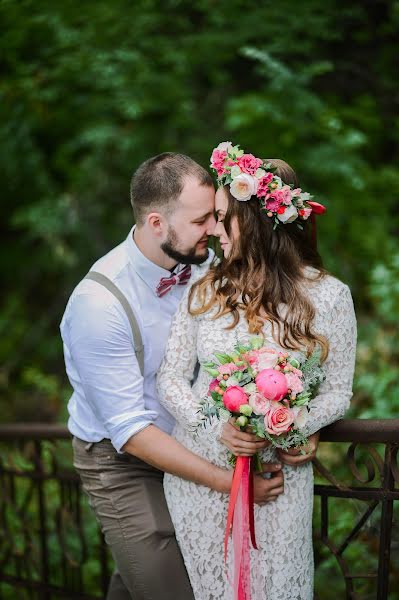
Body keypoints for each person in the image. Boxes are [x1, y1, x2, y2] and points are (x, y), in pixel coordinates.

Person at [60, 152, 286, 600]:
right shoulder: (98, 304)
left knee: (165, 578)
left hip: (195, 441)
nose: (215, 231)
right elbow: (131, 431)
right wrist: (235, 486)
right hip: (121, 461)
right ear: (157, 223)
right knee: (172, 585)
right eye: (202, 220)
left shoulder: (207, 269)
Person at [157, 143, 357, 600]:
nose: (213, 229)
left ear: (255, 220)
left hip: (279, 481)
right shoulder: (205, 290)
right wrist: (216, 427)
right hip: (203, 477)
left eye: (222, 216)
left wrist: (287, 428)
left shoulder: (330, 297)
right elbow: (170, 379)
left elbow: (338, 393)